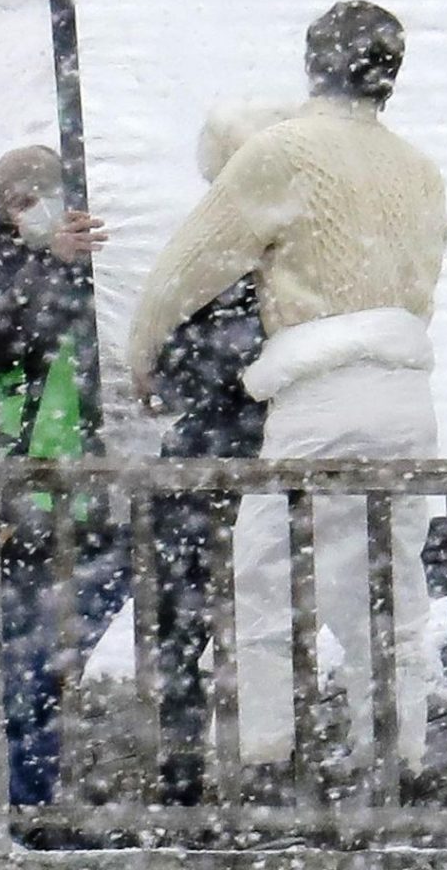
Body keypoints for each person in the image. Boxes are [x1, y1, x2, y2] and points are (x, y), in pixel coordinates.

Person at [129, 1, 447, 782]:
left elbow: (190, 262)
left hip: (319, 386)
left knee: (264, 574)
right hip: (407, 392)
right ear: (392, 73)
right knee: (390, 580)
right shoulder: (420, 168)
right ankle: (398, 749)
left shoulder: (283, 152)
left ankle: (266, 753)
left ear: (314, 62)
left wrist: (143, 349)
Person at [0, 144, 118, 806]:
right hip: (24, 501)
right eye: (19, 204)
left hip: (95, 495)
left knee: (49, 659)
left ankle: (35, 797)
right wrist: (51, 263)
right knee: (28, 666)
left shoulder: (99, 262)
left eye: (42, 196)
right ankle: (26, 804)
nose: (35, 212)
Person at [147, 103, 292, 804]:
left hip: (254, 459)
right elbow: (173, 368)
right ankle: (188, 776)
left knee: (258, 621)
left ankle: (246, 773)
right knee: (189, 625)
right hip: (228, 462)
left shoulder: (286, 256)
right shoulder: (215, 258)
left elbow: (175, 366)